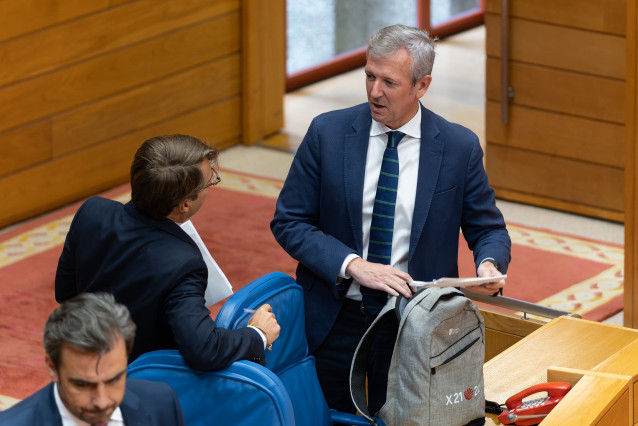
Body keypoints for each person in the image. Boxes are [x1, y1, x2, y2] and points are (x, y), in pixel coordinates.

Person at [271, 24, 511, 414]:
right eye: (369, 76)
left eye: (389, 82)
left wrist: (488, 263)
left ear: (422, 86)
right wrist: (354, 266)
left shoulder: (457, 147)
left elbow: (488, 228)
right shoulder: (327, 133)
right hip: (336, 319)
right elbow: (289, 221)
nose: (374, 92)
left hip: (416, 325)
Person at [55, 134, 280, 370]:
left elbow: (66, 293)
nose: (211, 183)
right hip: (139, 382)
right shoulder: (183, 264)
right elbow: (205, 349)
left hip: (80, 358)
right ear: (184, 205)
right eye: (209, 182)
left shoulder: (92, 211)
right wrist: (258, 334)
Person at [0, 292, 185, 425]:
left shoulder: (161, 403)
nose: (102, 402)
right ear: (52, 367)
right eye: (82, 385)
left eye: (114, 379)